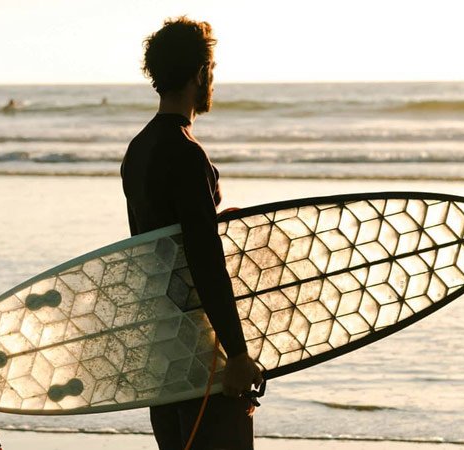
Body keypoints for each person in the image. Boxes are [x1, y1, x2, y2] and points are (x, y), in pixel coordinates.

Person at [120, 17, 262, 450]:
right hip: (200, 350)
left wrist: (212, 219)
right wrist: (236, 355)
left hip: (163, 351)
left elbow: (156, 247)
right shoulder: (185, 152)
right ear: (201, 73)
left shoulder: (138, 149)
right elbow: (203, 260)